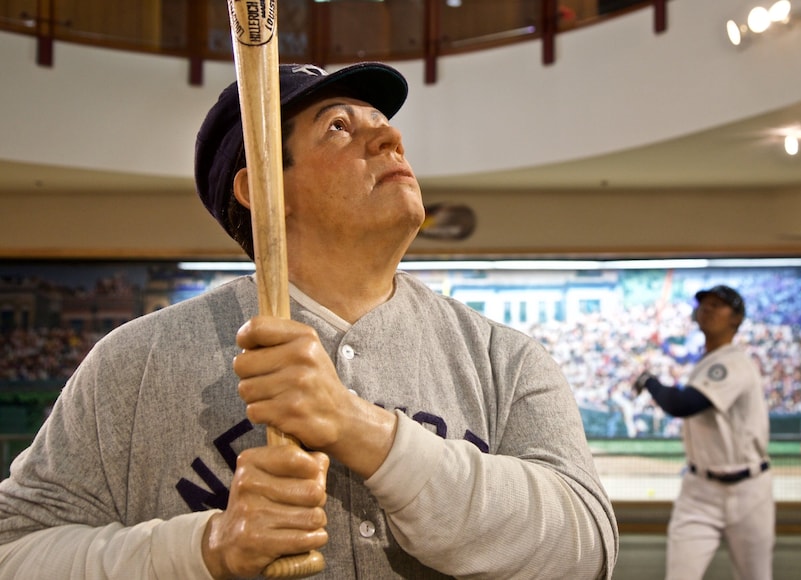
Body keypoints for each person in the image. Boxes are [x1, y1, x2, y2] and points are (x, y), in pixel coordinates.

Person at [0, 63, 618, 579]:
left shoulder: (504, 357)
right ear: (262, 189)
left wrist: (362, 430)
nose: (389, 138)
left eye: (381, 123)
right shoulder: (133, 365)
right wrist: (207, 547)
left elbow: (586, 549)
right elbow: (15, 550)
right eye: (339, 127)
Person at [632, 285, 773, 580]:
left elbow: (684, 404)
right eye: (704, 303)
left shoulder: (733, 361)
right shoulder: (707, 360)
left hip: (748, 491)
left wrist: (649, 381)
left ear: (736, 319)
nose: (707, 308)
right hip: (699, 490)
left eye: (717, 305)